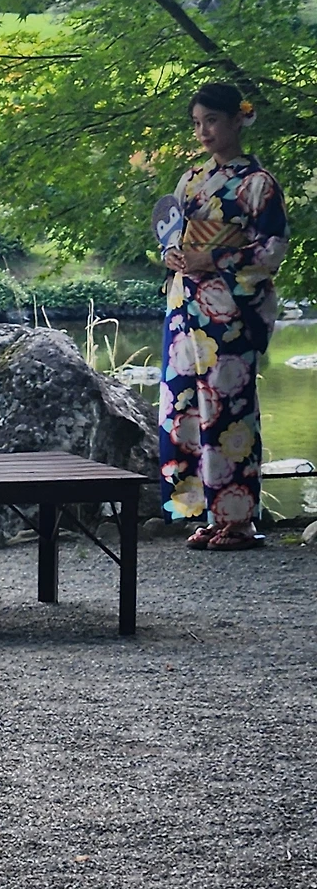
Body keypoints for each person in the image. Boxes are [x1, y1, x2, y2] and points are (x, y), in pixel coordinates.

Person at [158, 83, 288, 549]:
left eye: (212, 120)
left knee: (228, 411)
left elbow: (272, 249)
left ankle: (239, 520)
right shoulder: (190, 179)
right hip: (186, 307)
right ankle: (202, 513)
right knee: (185, 408)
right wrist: (174, 255)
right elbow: (170, 236)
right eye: (197, 123)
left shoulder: (259, 184)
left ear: (238, 119)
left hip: (229, 310)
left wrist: (212, 258)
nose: (203, 131)